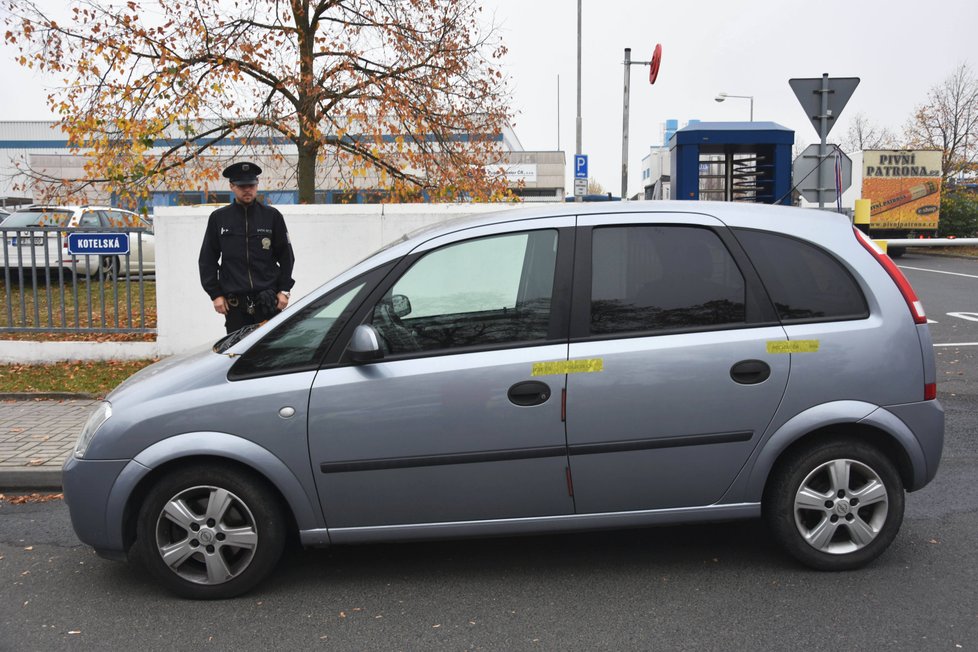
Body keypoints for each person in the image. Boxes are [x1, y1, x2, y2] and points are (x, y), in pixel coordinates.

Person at [199, 161, 296, 334]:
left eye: (251, 185)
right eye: (242, 186)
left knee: (269, 353)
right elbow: (207, 259)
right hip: (235, 305)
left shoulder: (272, 216)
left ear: (257, 185)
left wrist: (284, 291)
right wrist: (215, 294)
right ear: (231, 186)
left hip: (268, 301)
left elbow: (287, 257)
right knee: (237, 353)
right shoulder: (219, 218)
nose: (247, 190)